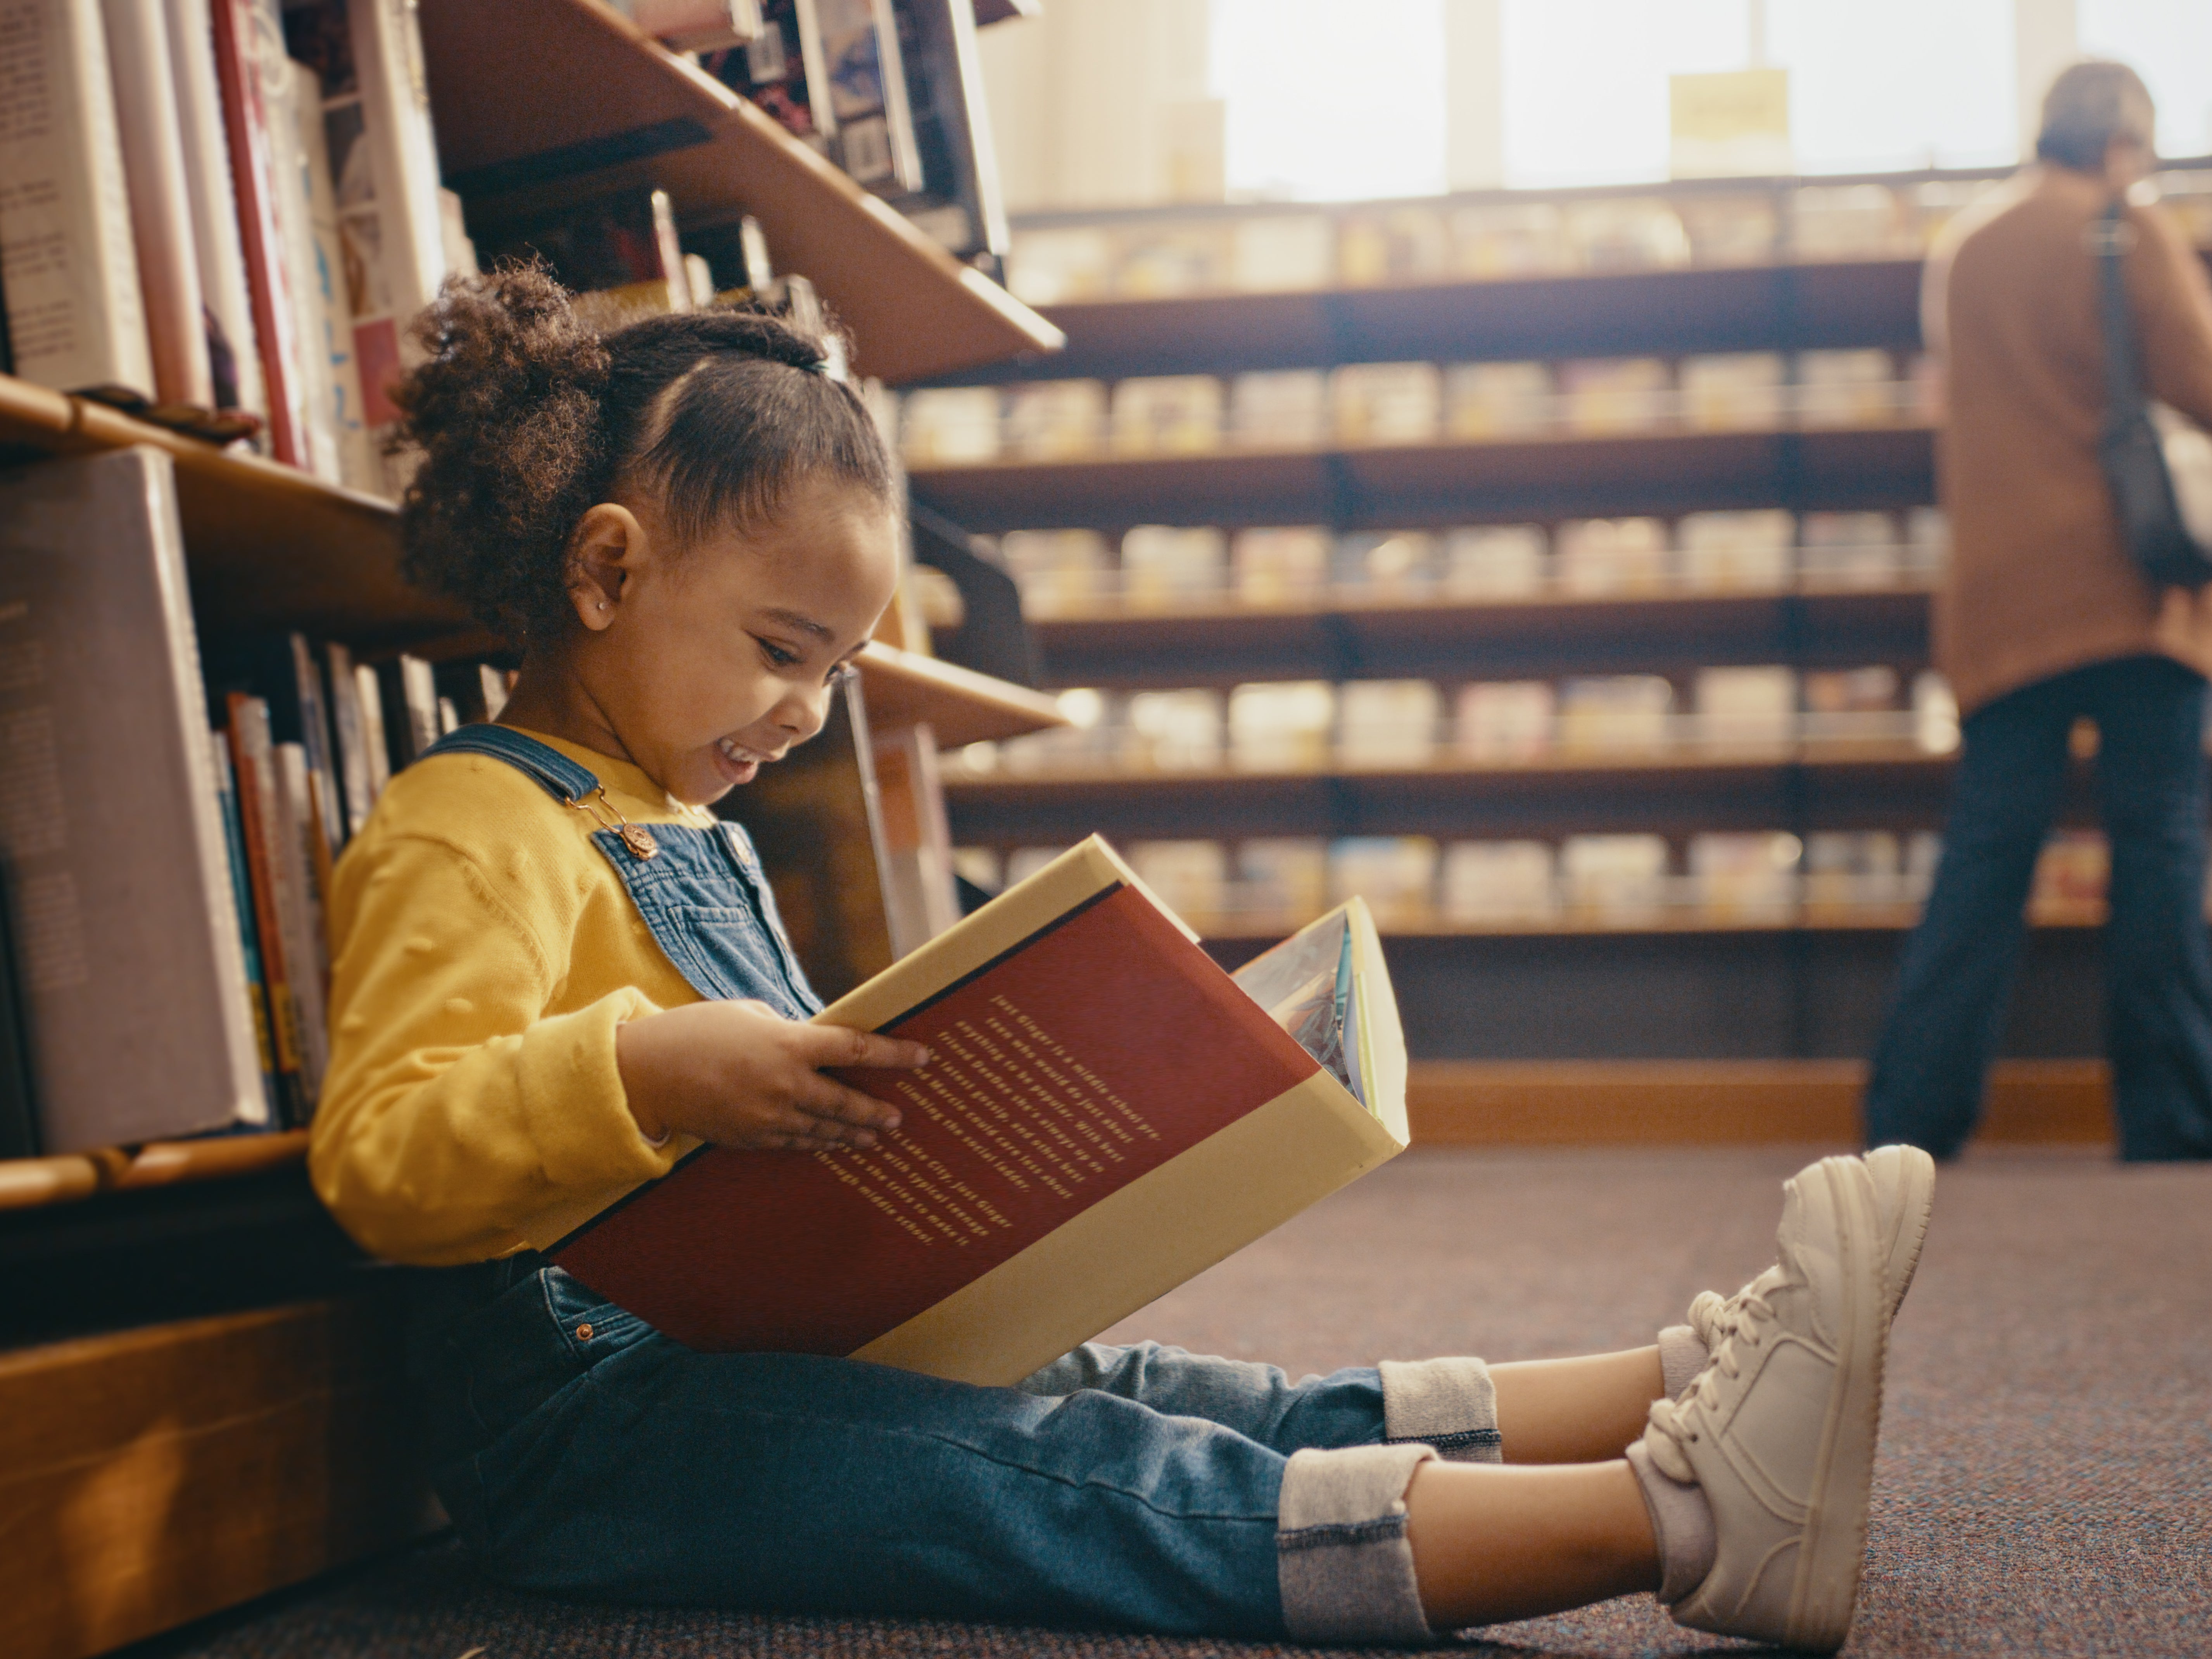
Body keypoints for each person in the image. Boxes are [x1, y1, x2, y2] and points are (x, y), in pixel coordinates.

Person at [309, 266, 1937, 1652]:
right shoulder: (465, 825)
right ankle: (1674, 1520)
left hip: (755, 1350)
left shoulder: (686, 824)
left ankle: (1667, 1384)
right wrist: (644, 1070)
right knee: (1067, 1477)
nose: (808, 710)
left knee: (1148, 1386)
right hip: (598, 1435)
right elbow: (384, 1156)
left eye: (842, 667)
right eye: (781, 652)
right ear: (604, 571)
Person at [1865, 60, 2212, 1163]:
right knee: (2155, 846)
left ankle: (1910, 1125)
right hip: (2125, 586)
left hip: (1999, 599)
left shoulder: (1965, 246)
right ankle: (2167, 1121)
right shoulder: (2124, 227)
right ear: (2120, 144)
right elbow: (2201, 379)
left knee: (1984, 856)